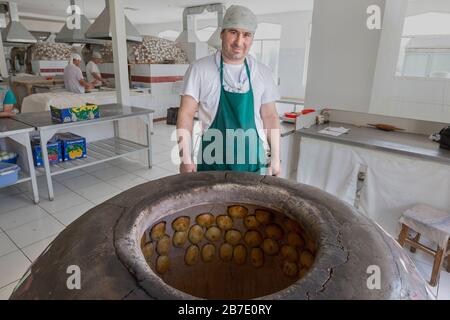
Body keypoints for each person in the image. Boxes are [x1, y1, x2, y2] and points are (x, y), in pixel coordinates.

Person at [177, 5, 281, 176]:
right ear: (222, 33)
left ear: (252, 38)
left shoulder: (262, 72)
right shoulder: (199, 69)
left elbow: (270, 116)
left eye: (246, 34)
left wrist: (276, 158)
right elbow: (186, 113)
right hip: (212, 161)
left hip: (251, 161)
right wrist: (185, 159)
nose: (239, 41)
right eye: (233, 32)